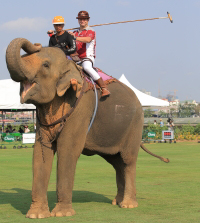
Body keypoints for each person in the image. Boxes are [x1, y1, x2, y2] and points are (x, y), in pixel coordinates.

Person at [68, 11, 111, 97]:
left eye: (84, 19)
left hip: (87, 58)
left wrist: (74, 37)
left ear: (88, 20)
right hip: (76, 58)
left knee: (87, 67)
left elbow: (87, 40)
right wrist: (53, 34)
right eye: (80, 19)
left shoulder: (91, 31)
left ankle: (104, 88)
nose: (82, 21)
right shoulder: (75, 32)